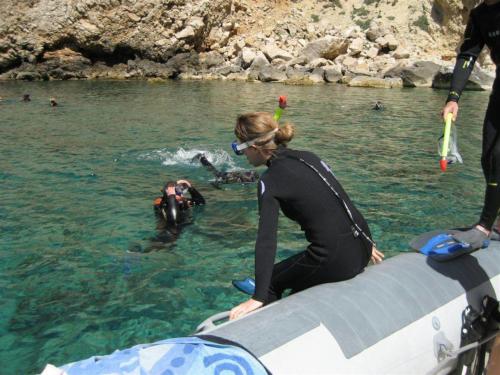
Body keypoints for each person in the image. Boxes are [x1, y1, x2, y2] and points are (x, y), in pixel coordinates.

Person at [228, 112, 384, 320]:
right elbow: (340, 200)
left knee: (272, 281)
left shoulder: (270, 180)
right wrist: (364, 242)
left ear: (254, 147)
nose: (244, 156)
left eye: (240, 149)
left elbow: (267, 240)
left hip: (338, 259)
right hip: (364, 247)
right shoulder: (309, 157)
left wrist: (258, 296)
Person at [441, 0, 500, 249]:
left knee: (499, 156)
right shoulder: (480, 15)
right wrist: (453, 97)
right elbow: (467, 56)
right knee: (487, 157)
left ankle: (485, 225)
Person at [193, 153, 259, 186]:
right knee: (213, 171)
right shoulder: (231, 180)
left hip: (233, 173)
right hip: (224, 176)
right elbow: (214, 183)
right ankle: (201, 157)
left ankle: (202, 157)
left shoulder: (250, 176)